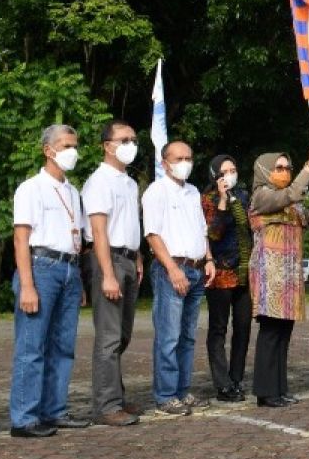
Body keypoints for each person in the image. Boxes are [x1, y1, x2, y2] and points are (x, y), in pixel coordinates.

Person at [9, 124, 91, 437]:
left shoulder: (72, 191)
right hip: (40, 266)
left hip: (69, 269)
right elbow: (21, 239)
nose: (73, 151)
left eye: (75, 144)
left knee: (63, 346)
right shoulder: (31, 188)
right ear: (48, 150)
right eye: (66, 145)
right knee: (32, 346)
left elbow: (77, 239)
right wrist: (27, 285)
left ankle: (54, 410)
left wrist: (79, 279)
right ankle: (24, 418)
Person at [247, 145, 309, 407]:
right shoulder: (262, 196)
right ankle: (265, 391)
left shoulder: (290, 204)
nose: (284, 172)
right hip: (270, 272)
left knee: (284, 332)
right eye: (278, 168)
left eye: (286, 168)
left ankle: (279, 388)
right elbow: (292, 193)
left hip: (290, 274)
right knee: (271, 332)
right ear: (265, 170)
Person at [143, 141, 215, 415]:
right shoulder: (156, 192)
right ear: (165, 163)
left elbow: (201, 229)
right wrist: (172, 269)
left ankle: (182, 390)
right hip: (172, 269)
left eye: (188, 157)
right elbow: (152, 234)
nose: (184, 162)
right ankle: (165, 395)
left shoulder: (193, 191)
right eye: (178, 158)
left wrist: (208, 259)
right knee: (169, 336)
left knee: (187, 337)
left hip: (196, 268)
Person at [81, 119, 144, 427]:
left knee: (122, 334)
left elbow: (130, 224)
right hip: (110, 260)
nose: (130, 144)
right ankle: (106, 405)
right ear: (107, 146)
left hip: (129, 259)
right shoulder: (99, 182)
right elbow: (98, 231)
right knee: (108, 337)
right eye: (123, 139)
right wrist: (107, 273)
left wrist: (138, 256)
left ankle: (115, 395)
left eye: (133, 139)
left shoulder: (129, 183)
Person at [202, 154, 253, 402]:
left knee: (243, 328)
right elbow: (212, 233)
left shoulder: (243, 197)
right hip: (220, 273)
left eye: (233, 169)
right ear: (215, 176)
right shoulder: (207, 200)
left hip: (244, 274)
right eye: (225, 171)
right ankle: (222, 384)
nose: (230, 174)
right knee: (218, 329)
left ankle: (236, 379)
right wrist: (222, 201)